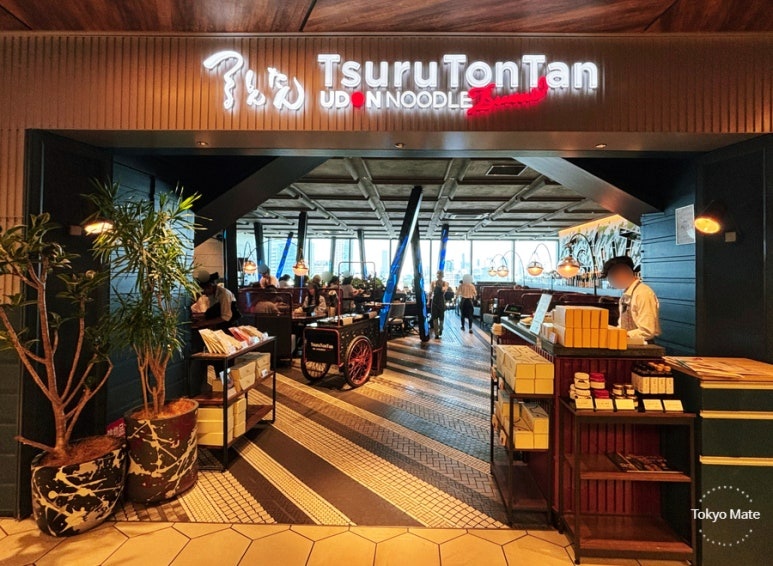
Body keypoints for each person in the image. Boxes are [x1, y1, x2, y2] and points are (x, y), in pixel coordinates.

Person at [601, 256, 661, 341]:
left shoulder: (643, 293)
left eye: (611, 277)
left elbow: (647, 331)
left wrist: (622, 335)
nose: (611, 282)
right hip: (627, 342)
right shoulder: (627, 293)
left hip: (643, 347)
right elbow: (622, 325)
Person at [430, 270, 448, 339]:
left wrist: (443, 288)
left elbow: (444, 290)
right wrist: (428, 301)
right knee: (434, 317)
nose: (438, 275)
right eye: (437, 274)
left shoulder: (445, 283)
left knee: (441, 316)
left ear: (442, 275)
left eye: (440, 274)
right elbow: (430, 292)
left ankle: (441, 328)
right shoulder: (433, 282)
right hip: (434, 301)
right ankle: (436, 333)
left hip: (441, 300)